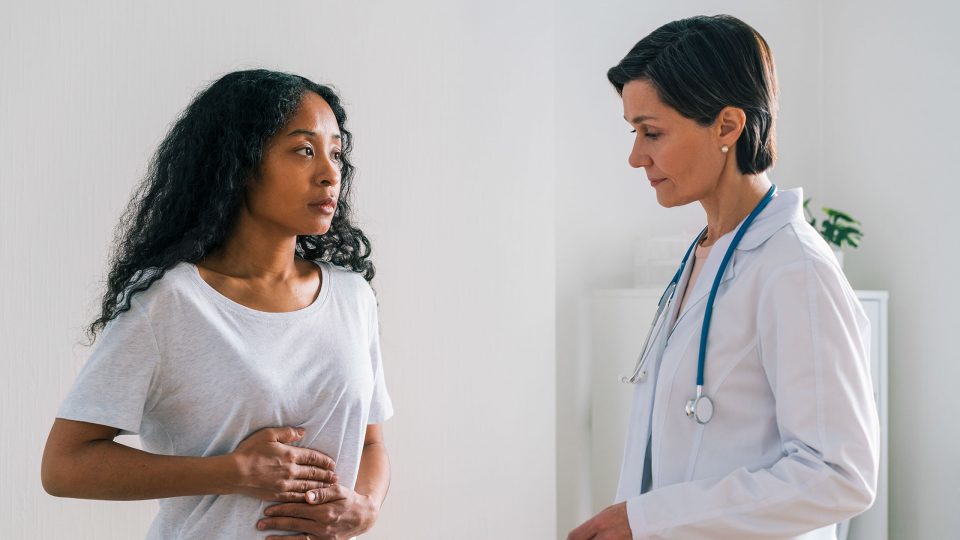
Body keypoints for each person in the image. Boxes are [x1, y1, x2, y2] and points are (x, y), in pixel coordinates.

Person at [41, 69, 393, 540]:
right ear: (242, 162)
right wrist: (234, 471)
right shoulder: (170, 302)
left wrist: (364, 507)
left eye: (335, 153)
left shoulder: (353, 298)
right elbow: (65, 466)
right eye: (304, 150)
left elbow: (371, 444)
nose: (330, 173)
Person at [569, 15, 878, 540]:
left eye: (653, 132)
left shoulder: (795, 270)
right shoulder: (706, 255)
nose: (635, 156)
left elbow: (839, 475)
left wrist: (648, 521)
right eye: (634, 131)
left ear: (728, 127)